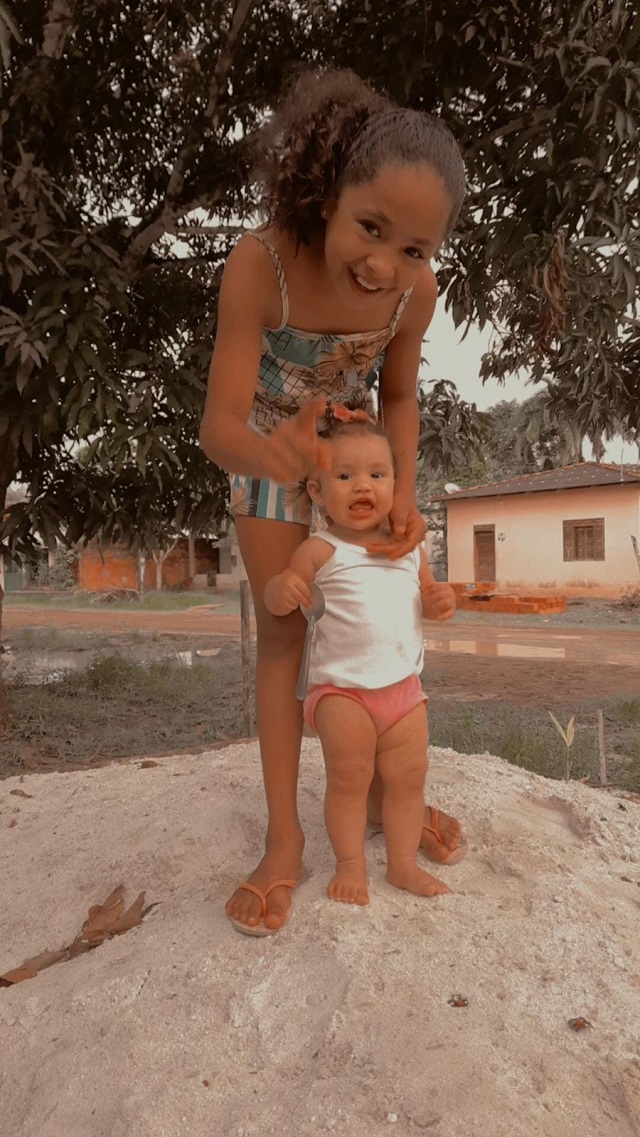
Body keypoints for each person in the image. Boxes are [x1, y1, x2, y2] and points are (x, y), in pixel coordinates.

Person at [200, 68, 468, 936]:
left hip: (360, 461)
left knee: (384, 632)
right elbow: (219, 423)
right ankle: (287, 843)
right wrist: (276, 454)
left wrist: (403, 491)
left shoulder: (412, 295)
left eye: (415, 249)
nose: (385, 264)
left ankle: (392, 803)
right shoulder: (262, 263)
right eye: (370, 228)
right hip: (269, 454)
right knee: (288, 631)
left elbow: (397, 397)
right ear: (327, 194)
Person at [265, 417, 457, 909]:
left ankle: (401, 864)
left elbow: (429, 596)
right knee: (349, 778)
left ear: (396, 483)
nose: (363, 486)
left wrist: (438, 600)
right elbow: (278, 592)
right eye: (345, 476)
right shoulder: (320, 549)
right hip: (343, 692)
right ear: (318, 489)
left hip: (403, 690)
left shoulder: (408, 551)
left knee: (409, 777)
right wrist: (280, 590)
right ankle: (350, 864)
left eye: (377, 474)